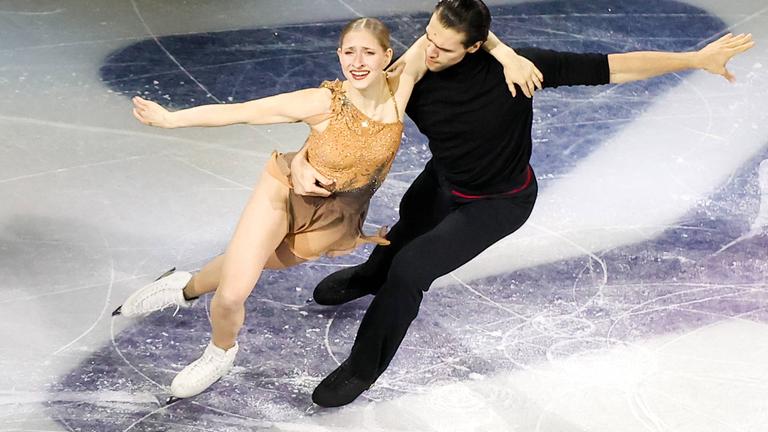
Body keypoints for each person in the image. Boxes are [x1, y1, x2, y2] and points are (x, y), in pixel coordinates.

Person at [304, 0, 755, 407]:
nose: (429, 50)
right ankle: (369, 276)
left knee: (410, 270)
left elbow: (614, 67)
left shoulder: (518, 71)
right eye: (428, 37)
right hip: (442, 182)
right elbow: (352, 122)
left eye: (444, 46)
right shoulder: (414, 73)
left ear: (475, 46)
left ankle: (362, 368)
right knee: (406, 227)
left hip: (497, 202)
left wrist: (694, 59)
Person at [113, 17, 540, 400]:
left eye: (367, 52)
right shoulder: (322, 102)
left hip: (334, 219)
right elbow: (244, 112)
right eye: (348, 52)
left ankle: (184, 287)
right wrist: (172, 119)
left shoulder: (402, 85)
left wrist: (505, 53)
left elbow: (454, 19)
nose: (357, 61)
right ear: (338, 56)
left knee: (245, 262)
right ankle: (219, 352)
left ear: (387, 56)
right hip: (285, 193)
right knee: (233, 291)